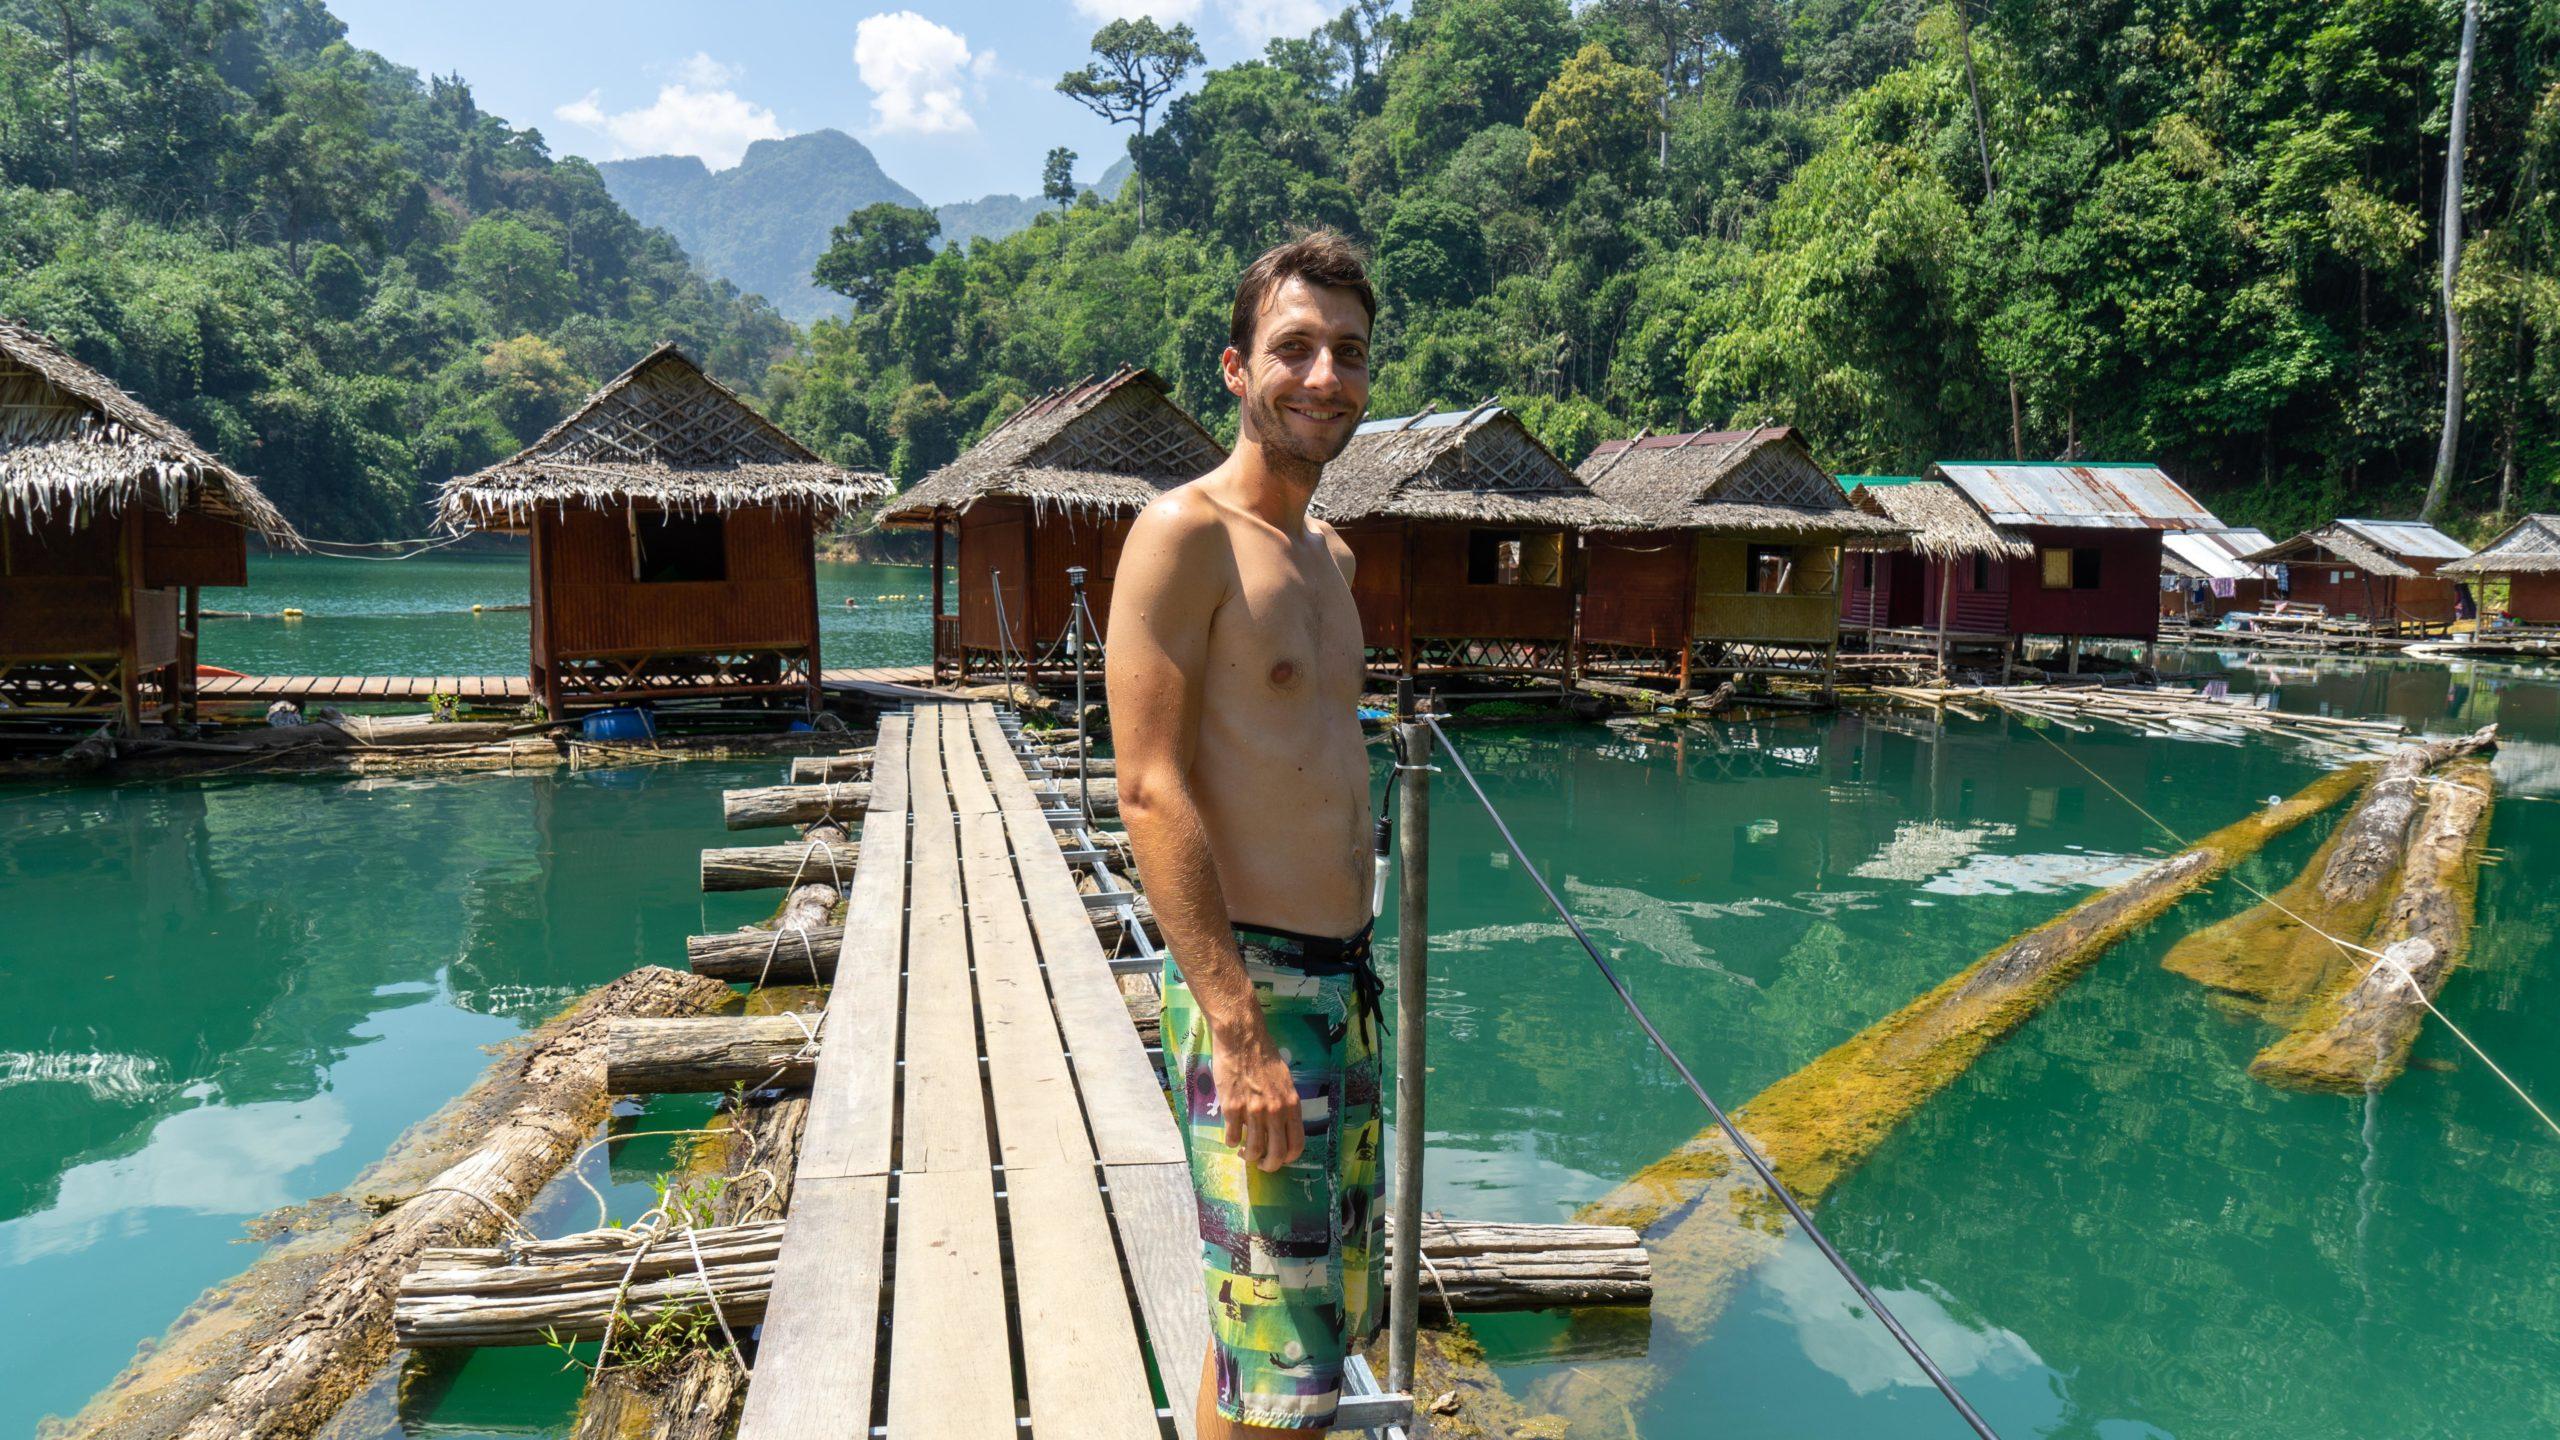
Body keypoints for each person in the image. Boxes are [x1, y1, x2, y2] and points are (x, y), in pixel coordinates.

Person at [1105, 231, 1383, 1437]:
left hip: (1348, 981)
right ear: (1235, 367)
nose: (1324, 377)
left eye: (1349, 354)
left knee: (1285, 1339)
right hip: (1256, 988)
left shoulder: (1332, 556)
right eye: (1294, 348)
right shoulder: (1184, 535)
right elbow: (1149, 789)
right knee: (1290, 1367)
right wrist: (1239, 1032)